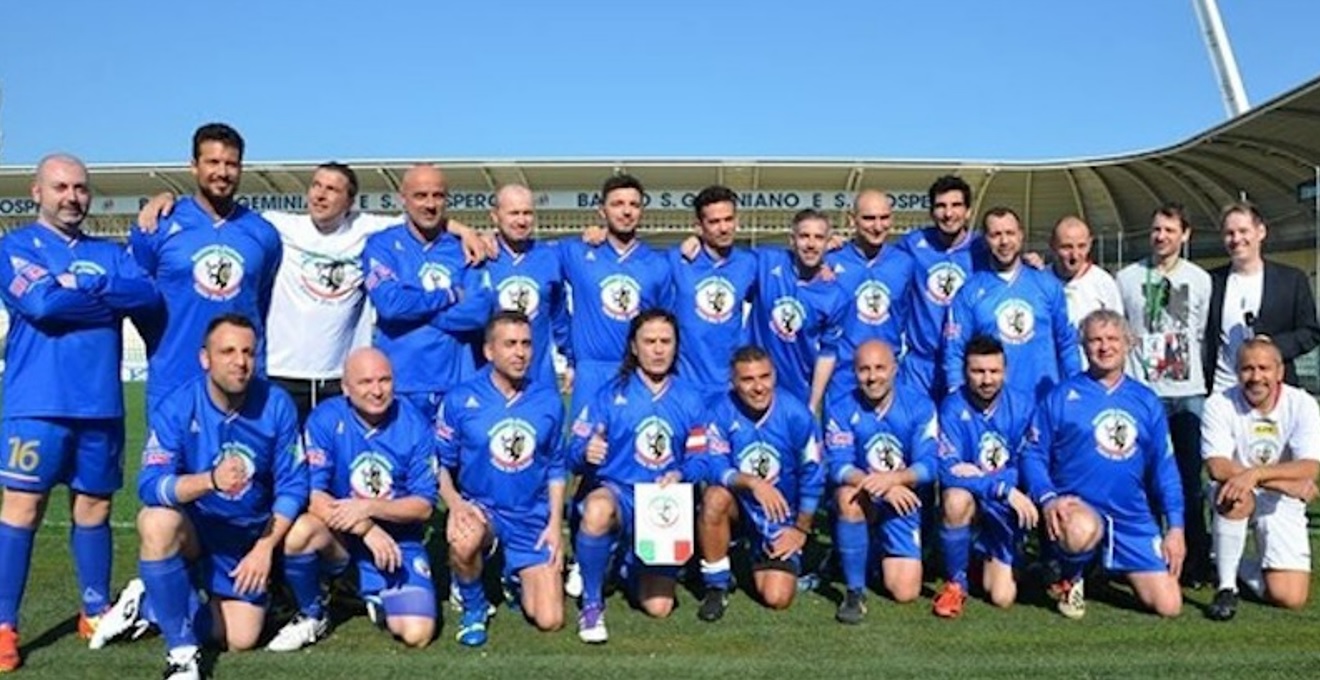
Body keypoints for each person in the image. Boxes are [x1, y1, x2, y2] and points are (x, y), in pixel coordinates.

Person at [135, 162, 489, 425]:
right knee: (279, 467)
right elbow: (218, 210)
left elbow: (423, 215)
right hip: (282, 372)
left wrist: (465, 230)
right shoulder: (277, 225)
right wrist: (167, 198)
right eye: (316, 185)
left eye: (332, 189)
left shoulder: (368, 230)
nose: (319, 194)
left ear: (350, 201)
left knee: (334, 473)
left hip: (339, 376)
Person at [0, 154, 158, 670]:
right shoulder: (14, 247)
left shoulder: (109, 253)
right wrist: (105, 299)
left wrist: (78, 287)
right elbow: (40, 306)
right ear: (37, 192)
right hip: (37, 403)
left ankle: (94, 611)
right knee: (23, 509)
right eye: (61, 187)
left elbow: (147, 296)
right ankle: (3, 626)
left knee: (95, 510)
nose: (72, 197)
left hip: (100, 405)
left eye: (80, 188)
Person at [97, 314, 306, 680]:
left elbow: (294, 485)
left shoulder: (276, 404)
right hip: (196, 531)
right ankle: (182, 655)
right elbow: (150, 484)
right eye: (228, 351)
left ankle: (150, 604)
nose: (240, 362)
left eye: (248, 352)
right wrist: (209, 481)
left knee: (241, 638)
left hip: (247, 538)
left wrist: (264, 548)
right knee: (155, 520)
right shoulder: (178, 406)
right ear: (205, 358)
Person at [265, 347, 439, 651]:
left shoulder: (415, 424)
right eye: (366, 382)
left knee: (417, 633)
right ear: (346, 387)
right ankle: (312, 613)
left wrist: (369, 507)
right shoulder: (325, 419)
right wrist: (367, 528)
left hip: (398, 542)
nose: (377, 391)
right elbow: (313, 495)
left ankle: (365, 592)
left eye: (384, 380)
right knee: (301, 532)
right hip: (343, 536)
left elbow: (424, 506)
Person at [1022, 309, 1185, 620]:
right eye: (1095, 340)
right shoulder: (1061, 396)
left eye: (1112, 339)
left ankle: (1096, 567)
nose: (1104, 347)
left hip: (1130, 516)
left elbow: (1165, 469)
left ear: (1128, 344)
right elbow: (1032, 454)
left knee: (1169, 605)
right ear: (1083, 346)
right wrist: (1048, 498)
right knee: (1082, 530)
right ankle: (1071, 576)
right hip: (1077, 511)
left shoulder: (1146, 400)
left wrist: (1175, 528)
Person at [565, 309, 712, 643]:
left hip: (662, 505)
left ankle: (620, 562)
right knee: (597, 509)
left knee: (659, 607)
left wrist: (682, 473)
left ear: (676, 346)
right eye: (649, 341)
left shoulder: (691, 398)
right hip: (620, 496)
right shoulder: (608, 395)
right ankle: (592, 604)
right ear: (634, 346)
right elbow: (570, 454)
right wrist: (586, 453)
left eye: (665, 341)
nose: (658, 349)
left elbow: (702, 460)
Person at [129, 123, 283, 416]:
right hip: (174, 380)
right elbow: (140, 302)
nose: (222, 172)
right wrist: (166, 342)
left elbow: (259, 302)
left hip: (242, 386)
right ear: (194, 166)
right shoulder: (158, 226)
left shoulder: (264, 235)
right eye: (212, 162)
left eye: (231, 164)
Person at [436, 311, 567, 645]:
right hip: (483, 511)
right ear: (489, 351)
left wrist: (554, 524)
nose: (520, 353)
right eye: (510, 344)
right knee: (464, 538)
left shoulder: (548, 400)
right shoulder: (460, 399)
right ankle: (474, 606)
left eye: (526, 344)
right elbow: (440, 465)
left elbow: (555, 467)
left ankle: (512, 576)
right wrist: (456, 505)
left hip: (530, 518)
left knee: (550, 619)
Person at [1116, 202, 1213, 584]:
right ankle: (1148, 555)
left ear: (1185, 235)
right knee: (1144, 478)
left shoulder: (1200, 279)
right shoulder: (1127, 277)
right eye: (1156, 229)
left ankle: (1195, 559)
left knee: (1189, 480)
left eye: (1170, 230)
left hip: (1188, 393)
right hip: (1144, 394)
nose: (1161, 236)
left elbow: (1200, 332)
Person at [697, 345, 823, 621]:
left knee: (776, 598)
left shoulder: (796, 414)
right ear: (733, 382)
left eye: (764, 377)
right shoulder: (720, 411)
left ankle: (807, 554)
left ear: (774, 376)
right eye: (747, 379)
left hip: (781, 517)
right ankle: (716, 585)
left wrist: (800, 529)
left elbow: (813, 476)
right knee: (714, 497)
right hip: (741, 508)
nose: (758, 387)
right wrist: (752, 482)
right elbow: (715, 467)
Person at [1201, 338, 1320, 620]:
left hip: (1280, 500)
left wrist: (1256, 474)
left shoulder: (1301, 404)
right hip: (1240, 489)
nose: (1256, 377)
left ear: (1279, 372)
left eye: (1264, 368)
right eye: (1247, 369)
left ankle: (1221, 556)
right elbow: (1217, 467)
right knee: (1235, 496)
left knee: (1290, 597)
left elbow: (1310, 468)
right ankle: (1227, 587)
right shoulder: (1219, 403)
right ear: (1237, 372)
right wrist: (1278, 481)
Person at [362, 164, 493, 416]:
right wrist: (449, 296)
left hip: (457, 385)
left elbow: (478, 312)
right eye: (420, 195)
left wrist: (415, 310)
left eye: (438, 196)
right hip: (400, 384)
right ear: (403, 198)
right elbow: (391, 305)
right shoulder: (382, 245)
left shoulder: (465, 247)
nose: (430, 204)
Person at [825, 340, 937, 623]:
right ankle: (854, 591)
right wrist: (878, 485)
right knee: (846, 497)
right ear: (854, 372)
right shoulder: (840, 408)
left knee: (905, 592)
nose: (872, 377)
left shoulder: (920, 406)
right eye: (864, 369)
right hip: (865, 495)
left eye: (879, 368)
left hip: (903, 500)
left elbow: (929, 466)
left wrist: (895, 479)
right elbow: (838, 466)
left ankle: (865, 552)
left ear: (895, 369)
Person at [932, 336, 1038, 618]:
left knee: (1002, 597)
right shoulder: (952, 407)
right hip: (983, 498)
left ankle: (988, 554)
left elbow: (1029, 465)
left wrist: (989, 480)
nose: (987, 379)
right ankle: (956, 583)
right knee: (955, 499)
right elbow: (947, 471)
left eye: (994, 371)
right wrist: (1001, 487)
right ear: (965, 371)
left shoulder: (1023, 405)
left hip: (1004, 507)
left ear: (1005, 371)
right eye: (978, 371)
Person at [560, 174, 672, 417]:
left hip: (637, 374)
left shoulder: (659, 264)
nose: (627, 211)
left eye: (634, 204)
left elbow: (667, 326)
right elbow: (528, 255)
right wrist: (479, 237)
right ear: (602, 211)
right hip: (591, 373)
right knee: (584, 440)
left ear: (642, 211)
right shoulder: (576, 253)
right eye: (617, 204)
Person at [944, 207, 1079, 400]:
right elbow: (955, 352)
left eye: (1010, 233)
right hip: (995, 405)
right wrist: (958, 398)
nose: (1004, 241)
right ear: (985, 239)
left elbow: (1067, 344)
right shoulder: (970, 292)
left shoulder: (1047, 285)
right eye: (996, 235)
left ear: (1021, 235)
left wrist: (1074, 389)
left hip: (1043, 401)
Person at [1204, 201, 1320, 394]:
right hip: (1222, 391)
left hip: (1273, 393)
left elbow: (1311, 333)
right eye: (1229, 233)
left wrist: (1272, 345)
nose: (1236, 239)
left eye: (1243, 231)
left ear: (1261, 232)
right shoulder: (1210, 281)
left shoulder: (1291, 280)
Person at [749, 208, 846, 413]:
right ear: (792, 240)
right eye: (804, 236)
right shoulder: (766, 262)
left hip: (797, 392)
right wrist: (696, 239)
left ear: (828, 243)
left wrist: (812, 404)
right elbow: (725, 260)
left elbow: (827, 353)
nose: (811, 244)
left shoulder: (835, 295)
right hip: (752, 386)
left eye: (818, 238)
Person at [824, 189, 914, 405]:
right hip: (843, 373)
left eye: (884, 218)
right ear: (852, 219)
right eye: (869, 218)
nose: (878, 226)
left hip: (888, 374)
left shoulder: (905, 263)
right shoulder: (830, 260)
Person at [670, 185, 759, 398]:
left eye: (729, 219)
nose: (724, 228)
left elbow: (794, 267)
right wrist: (599, 234)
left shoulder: (750, 264)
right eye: (714, 222)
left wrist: (831, 248)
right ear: (699, 227)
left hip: (732, 383)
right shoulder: (676, 260)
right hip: (686, 382)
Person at [482, 185, 571, 389]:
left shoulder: (550, 257)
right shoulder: (480, 254)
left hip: (539, 378)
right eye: (514, 213)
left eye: (527, 213)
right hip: (489, 380)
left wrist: (570, 359)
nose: (521, 221)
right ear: (495, 216)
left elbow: (560, 318)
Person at [1049, 216, 1121, 346]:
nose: (1074, 255)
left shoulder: (1103, 282)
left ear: (1090, 244)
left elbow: (1116, 333)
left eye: (1081, 246)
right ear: (1052, 245)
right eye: (1067, 247)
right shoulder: (1040, 280)